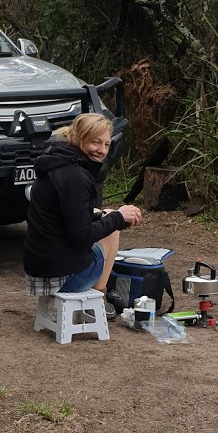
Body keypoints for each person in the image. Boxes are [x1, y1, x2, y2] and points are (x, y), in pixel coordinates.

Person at [23, 112, 143, 296]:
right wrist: (118, 218)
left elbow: (66, 218)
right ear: (78, 139)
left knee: (105, 213)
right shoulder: (76, 177)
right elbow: (82, 236)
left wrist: (107, 216)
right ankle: (100, 296)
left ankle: (97, 298)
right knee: (113, 227)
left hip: (40, 272)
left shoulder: (56, 162)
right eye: (96, 142)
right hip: (62, 280)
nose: (102, 150)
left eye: (107, 144)